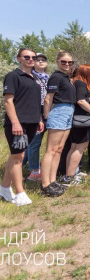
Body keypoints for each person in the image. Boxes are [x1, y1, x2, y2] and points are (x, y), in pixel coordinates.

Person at [1, 48, 44, 205]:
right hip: (18, 124)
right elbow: (8, 101)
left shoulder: (35, 78)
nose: (31, 59)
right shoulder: (13, 76)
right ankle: (20, 193)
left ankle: (5, 188)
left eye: (33, 57)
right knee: (18, 157)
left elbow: (34, 102)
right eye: (27, 57)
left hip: (32, 122)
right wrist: (15, 122)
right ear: (19, 58)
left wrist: (39, 118)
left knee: (16, 156)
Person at [41, 51, 76, 196]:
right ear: (57, 62)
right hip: (59, 111)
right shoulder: (56, 76)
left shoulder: (66, 78)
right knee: (51, 149)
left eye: (70, 62)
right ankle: (45, 184)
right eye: (64, 62)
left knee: (59, 149)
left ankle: (53, 180)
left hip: (68, 111)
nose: (67, 64)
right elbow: (48, 98)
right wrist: (47, 116)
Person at [63, 65, 90, 185]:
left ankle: (70, 174)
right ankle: (70, 176)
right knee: (79, 148)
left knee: (74, 147)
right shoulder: (81, 83)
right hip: (82, 120)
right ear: (86, 73)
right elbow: (80, 101)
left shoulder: (76, 83)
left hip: (78, 120)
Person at [22, 52, 49, 182]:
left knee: (31, 143)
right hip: (35, 110)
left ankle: (20, 166)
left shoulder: (49, 77)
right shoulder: (30, 77)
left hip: (48, 110)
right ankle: (34, 171)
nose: (40, 61)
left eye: (43, 59)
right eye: (37, 59)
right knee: (35, 142)